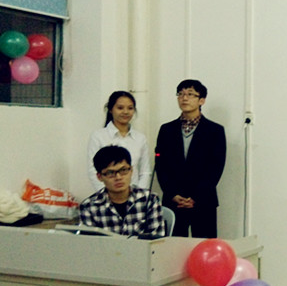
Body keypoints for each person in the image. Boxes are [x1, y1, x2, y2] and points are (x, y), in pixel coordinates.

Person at [155, 79, 226, 238]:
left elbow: (216, 167)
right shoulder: (166, 130)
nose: (184, 98)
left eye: (190, 94)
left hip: (203, 200)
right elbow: (161, 165)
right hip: (174, 200)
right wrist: (172, 193)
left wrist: (196, 197)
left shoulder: (215, 131)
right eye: (180, 94)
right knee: (172, 248)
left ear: (202, 100)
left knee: (205, 247)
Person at [79, 145, 165, 237]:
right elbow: (90, 243)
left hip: (142, 247)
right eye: (110, 173)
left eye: (123, 170)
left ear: (131, 170)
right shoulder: (89, 207)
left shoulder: (149, 199)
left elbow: (157, 240)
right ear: (99, 177)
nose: (118, 177)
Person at [87, 91, 151, 191]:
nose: (125, 112)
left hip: (135, 195)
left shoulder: (140, 138)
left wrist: (138, 194)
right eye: (120, 108)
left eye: (130, 108)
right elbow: (93, 170)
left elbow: (145, 172)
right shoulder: (98, 136)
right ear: (110, 109)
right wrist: (108, 194)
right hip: (108, 195)